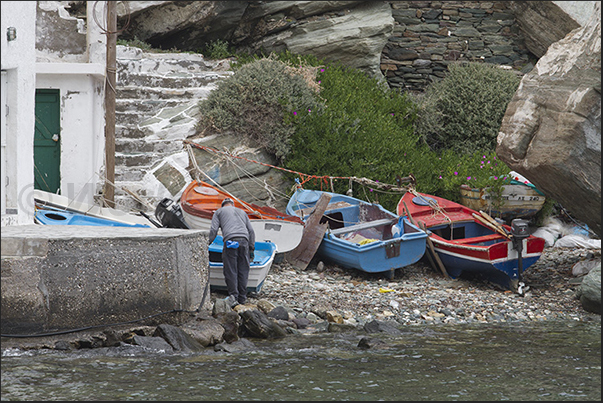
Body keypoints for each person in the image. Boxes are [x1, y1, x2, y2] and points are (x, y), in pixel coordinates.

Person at [208, 197, 255, 308]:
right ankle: (242, 299)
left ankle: (233, 296)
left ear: (223, 205)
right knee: (243, 269)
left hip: (230, 241)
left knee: (231, 269)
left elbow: (213, 230)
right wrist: (251, 248)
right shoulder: (242, 212)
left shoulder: (219, 212)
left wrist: (207, 244)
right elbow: (251, 231)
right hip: (244, 241)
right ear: (232, 205)